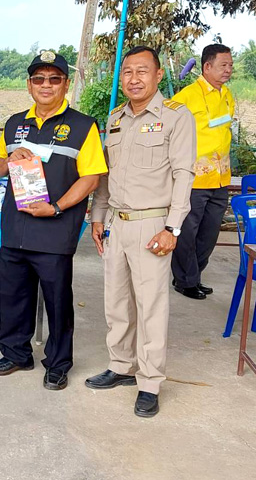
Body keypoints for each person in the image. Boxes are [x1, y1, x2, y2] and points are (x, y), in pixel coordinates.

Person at [0, 51, 108, 390]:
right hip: (15, 227)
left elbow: (92, 177)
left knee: (57, 302)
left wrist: (56, 207)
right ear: (29, 84)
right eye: (39, 79)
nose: (46, 85)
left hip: (55, 229)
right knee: (12, 296)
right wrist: (10, 157)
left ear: (66, 84)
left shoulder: (83, 126)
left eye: (54, 79)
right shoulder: (14, 124)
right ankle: (15, 353)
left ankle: (57, 363)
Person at [88, 46, 196, 418]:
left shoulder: (175, 117)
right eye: (127, 72)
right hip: (117, 222)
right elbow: (105, 175)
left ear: (158, 75)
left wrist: (173, 227)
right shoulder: (116, 118)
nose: (133, 79)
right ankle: (121, 366)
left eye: (142, 71)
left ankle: (149, 381)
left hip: (154, 224)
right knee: (117, 302)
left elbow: (184, 174)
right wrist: (97, 217)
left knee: (151, 306)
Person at [170, 44, 235, 299]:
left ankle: (194, 275)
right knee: (188, 232)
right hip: (194, 177)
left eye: (230, 65)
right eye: (223, 65)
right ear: (207, 67)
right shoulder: (187, 96)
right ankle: (184, 280)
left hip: (220, 177)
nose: (228, 70)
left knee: (209, 233)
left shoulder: (227, 94)